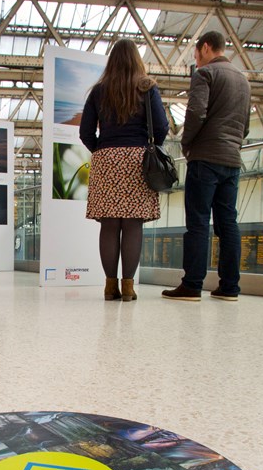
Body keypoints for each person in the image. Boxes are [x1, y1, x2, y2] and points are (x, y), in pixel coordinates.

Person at [162, 30, 251, 303]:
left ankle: (192, 285)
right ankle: (229, 287)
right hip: (232, 160)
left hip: (206, 158)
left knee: (198, 223)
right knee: (228, 224)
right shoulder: (243, 80)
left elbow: (196, 112)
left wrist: (186, 144)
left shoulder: (204, 74)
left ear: (207, 47)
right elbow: (245, 126)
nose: (196, 60)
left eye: (196, 54)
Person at [80, 37, 169, 302]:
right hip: (137, 160)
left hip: (107, 159)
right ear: (136, 60)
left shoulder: (99, 90)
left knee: (109, 225)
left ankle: (110, 286)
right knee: (132, 225)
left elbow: (85, 132)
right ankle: (129, 288)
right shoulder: (147, 88)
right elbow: (162, 127)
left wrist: (102, 148)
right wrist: (145, 148)